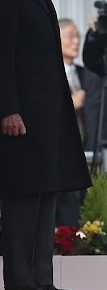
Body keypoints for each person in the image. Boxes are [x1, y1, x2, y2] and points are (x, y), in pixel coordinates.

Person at [0, 0, 90, 290]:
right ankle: (23, 281)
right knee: (26, 195)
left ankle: (41, 277)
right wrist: (7, 107)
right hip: (22, 115)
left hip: (45, 115)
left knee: (46, 192)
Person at [55, 18, 102, 226]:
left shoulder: (86, 74)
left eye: (78, 36)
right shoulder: (51, 74)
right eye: (70, 36)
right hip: (59, 150)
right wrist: (69, 104)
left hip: (87, 150)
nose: (76, 42)